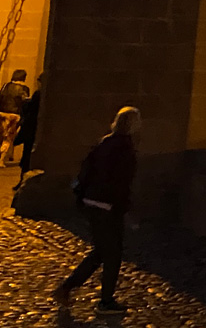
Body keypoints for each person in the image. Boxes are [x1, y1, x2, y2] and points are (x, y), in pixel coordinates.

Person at [53, 106, 140, 314]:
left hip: (92, 201)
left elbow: (87, 169)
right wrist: (124, 208)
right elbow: (121, 182)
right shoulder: (125, 148)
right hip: (107, 206)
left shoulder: (105, 142)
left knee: (102, 252)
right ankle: (104, 300)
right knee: (112, 255)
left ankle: (68, 288)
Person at [0, 69, 30, 167]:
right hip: (14, 116)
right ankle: (1, 160)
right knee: (8, 138)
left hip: (1, 113)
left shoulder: (5, 86)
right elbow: (25, 103)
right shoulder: (24, 89)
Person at [13, 75, 43, 183]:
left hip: (31, 129)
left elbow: (30, 109)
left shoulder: (38, 94)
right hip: (37, 130)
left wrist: (25, 101)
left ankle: (23, 180)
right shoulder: (45, 95)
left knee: (27, 155)